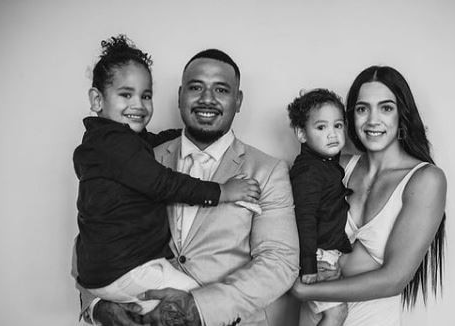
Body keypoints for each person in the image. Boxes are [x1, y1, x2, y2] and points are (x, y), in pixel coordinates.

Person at [81, 49, 300, 326]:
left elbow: (280, 263)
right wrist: (97, 306)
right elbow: (95, 231)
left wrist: (198, 308)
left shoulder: (268, 170)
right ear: (179, 96)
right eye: (196, 87)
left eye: (221, 89)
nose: (207, 98)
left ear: (238, 100)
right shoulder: (141, 158)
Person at [292, 66, 447, 326]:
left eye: (386, 108)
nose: (373, 120)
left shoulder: (425, 180)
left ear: (402, 115)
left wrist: (304, 289)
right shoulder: (336, 166)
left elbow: (394, 279)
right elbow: (294, 218)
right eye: (363, 109)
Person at [287, 89, 352, 326]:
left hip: (325, 254)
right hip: (316, 256)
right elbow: (304, 218)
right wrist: (309, 266)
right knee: (336, 312)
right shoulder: (309, 171)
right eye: (321, 127)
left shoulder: (326, 165)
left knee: (313, 317)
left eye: (338, 125)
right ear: (302, 133)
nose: (332, 134)